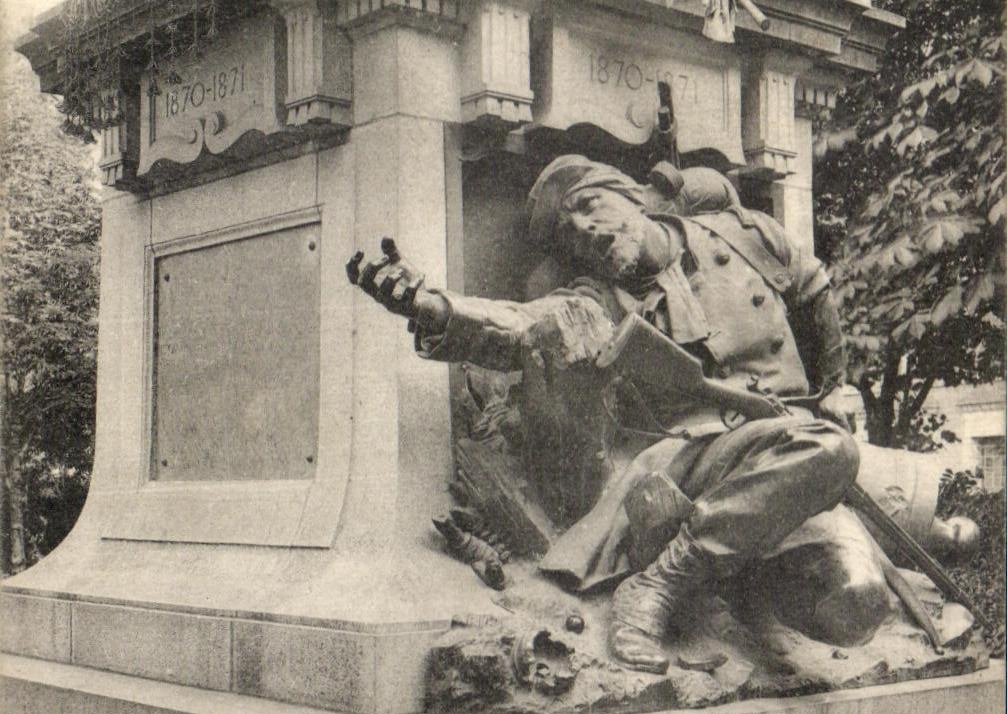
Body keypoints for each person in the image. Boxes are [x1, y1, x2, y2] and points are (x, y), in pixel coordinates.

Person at [347, 155, 883, 673]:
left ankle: (734, 576)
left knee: (856, 606)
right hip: (698, 455)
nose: (584, 228)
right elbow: (521, 325)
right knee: (832, 450)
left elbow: (814, 291)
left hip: (789, 450)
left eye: (589, 205)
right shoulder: (599, 301)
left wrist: (835, 385)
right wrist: (433, 307)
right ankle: (659, 585)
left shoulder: (742, 233)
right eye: (569, 231)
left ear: (631, 196)